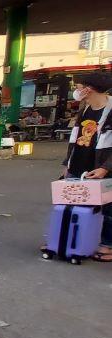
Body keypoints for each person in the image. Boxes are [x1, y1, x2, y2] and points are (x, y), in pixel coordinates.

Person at [61, 72, 112, 262]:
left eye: (79, 86)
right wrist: (68, 163)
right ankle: (69, 241)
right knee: (72, 204)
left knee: (108, 210)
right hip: (79, 162)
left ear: (88, 89)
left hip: (102, 166)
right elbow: (75, 138)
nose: (77, 90)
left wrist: (105, 168)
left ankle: (108, 245)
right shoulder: (85, 108)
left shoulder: (111, 109)